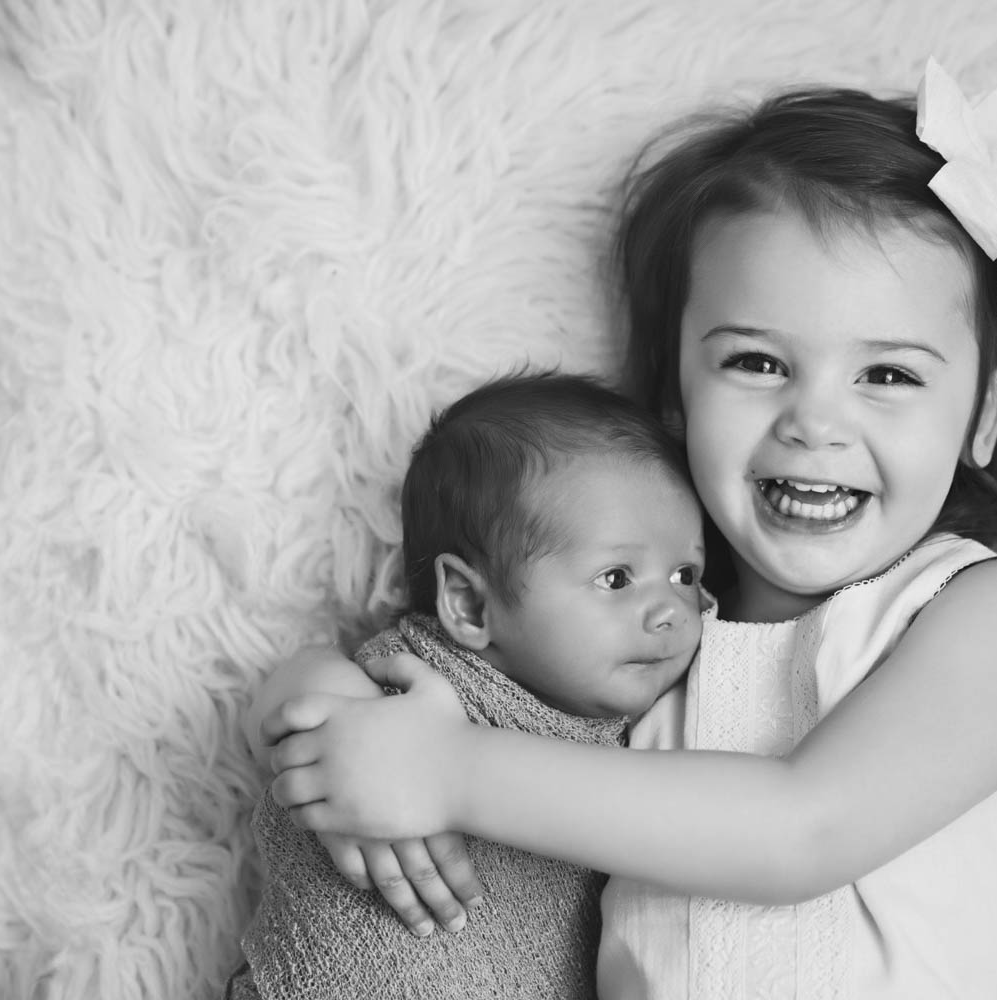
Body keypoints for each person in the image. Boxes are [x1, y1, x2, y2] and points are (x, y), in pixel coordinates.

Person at [259, 58, 997, 998]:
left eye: (889, 375)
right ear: (674, 393)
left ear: (985, 413)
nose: (814, 423)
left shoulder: (994, 615)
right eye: (755, 361)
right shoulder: (651, 640)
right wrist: (333, 710)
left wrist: (445, 772)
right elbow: (454, 667)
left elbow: (802, 830)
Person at [231, 372, 706, 999]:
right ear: (469, 605)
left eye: (685, 573)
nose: (671, 609)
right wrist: (320, 687)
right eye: (617, 578)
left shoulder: (667, 732)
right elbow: (277, 724)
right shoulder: (415, 686)